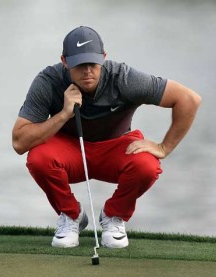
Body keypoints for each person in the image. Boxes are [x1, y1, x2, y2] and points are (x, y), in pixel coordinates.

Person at [12, 26, 201, 249]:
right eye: (79, 64)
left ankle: (113, 216)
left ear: (104, 57)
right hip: (70, 150)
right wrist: (64, 114)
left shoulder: (124, 78)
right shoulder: (49, 81)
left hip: (114, 148)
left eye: (93, 63)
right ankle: (71, 215)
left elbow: (189, 99)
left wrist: (164, 147)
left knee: (147, 166)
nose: (88, 71)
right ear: (64, 61)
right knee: (38, 159)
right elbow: (19, 142)